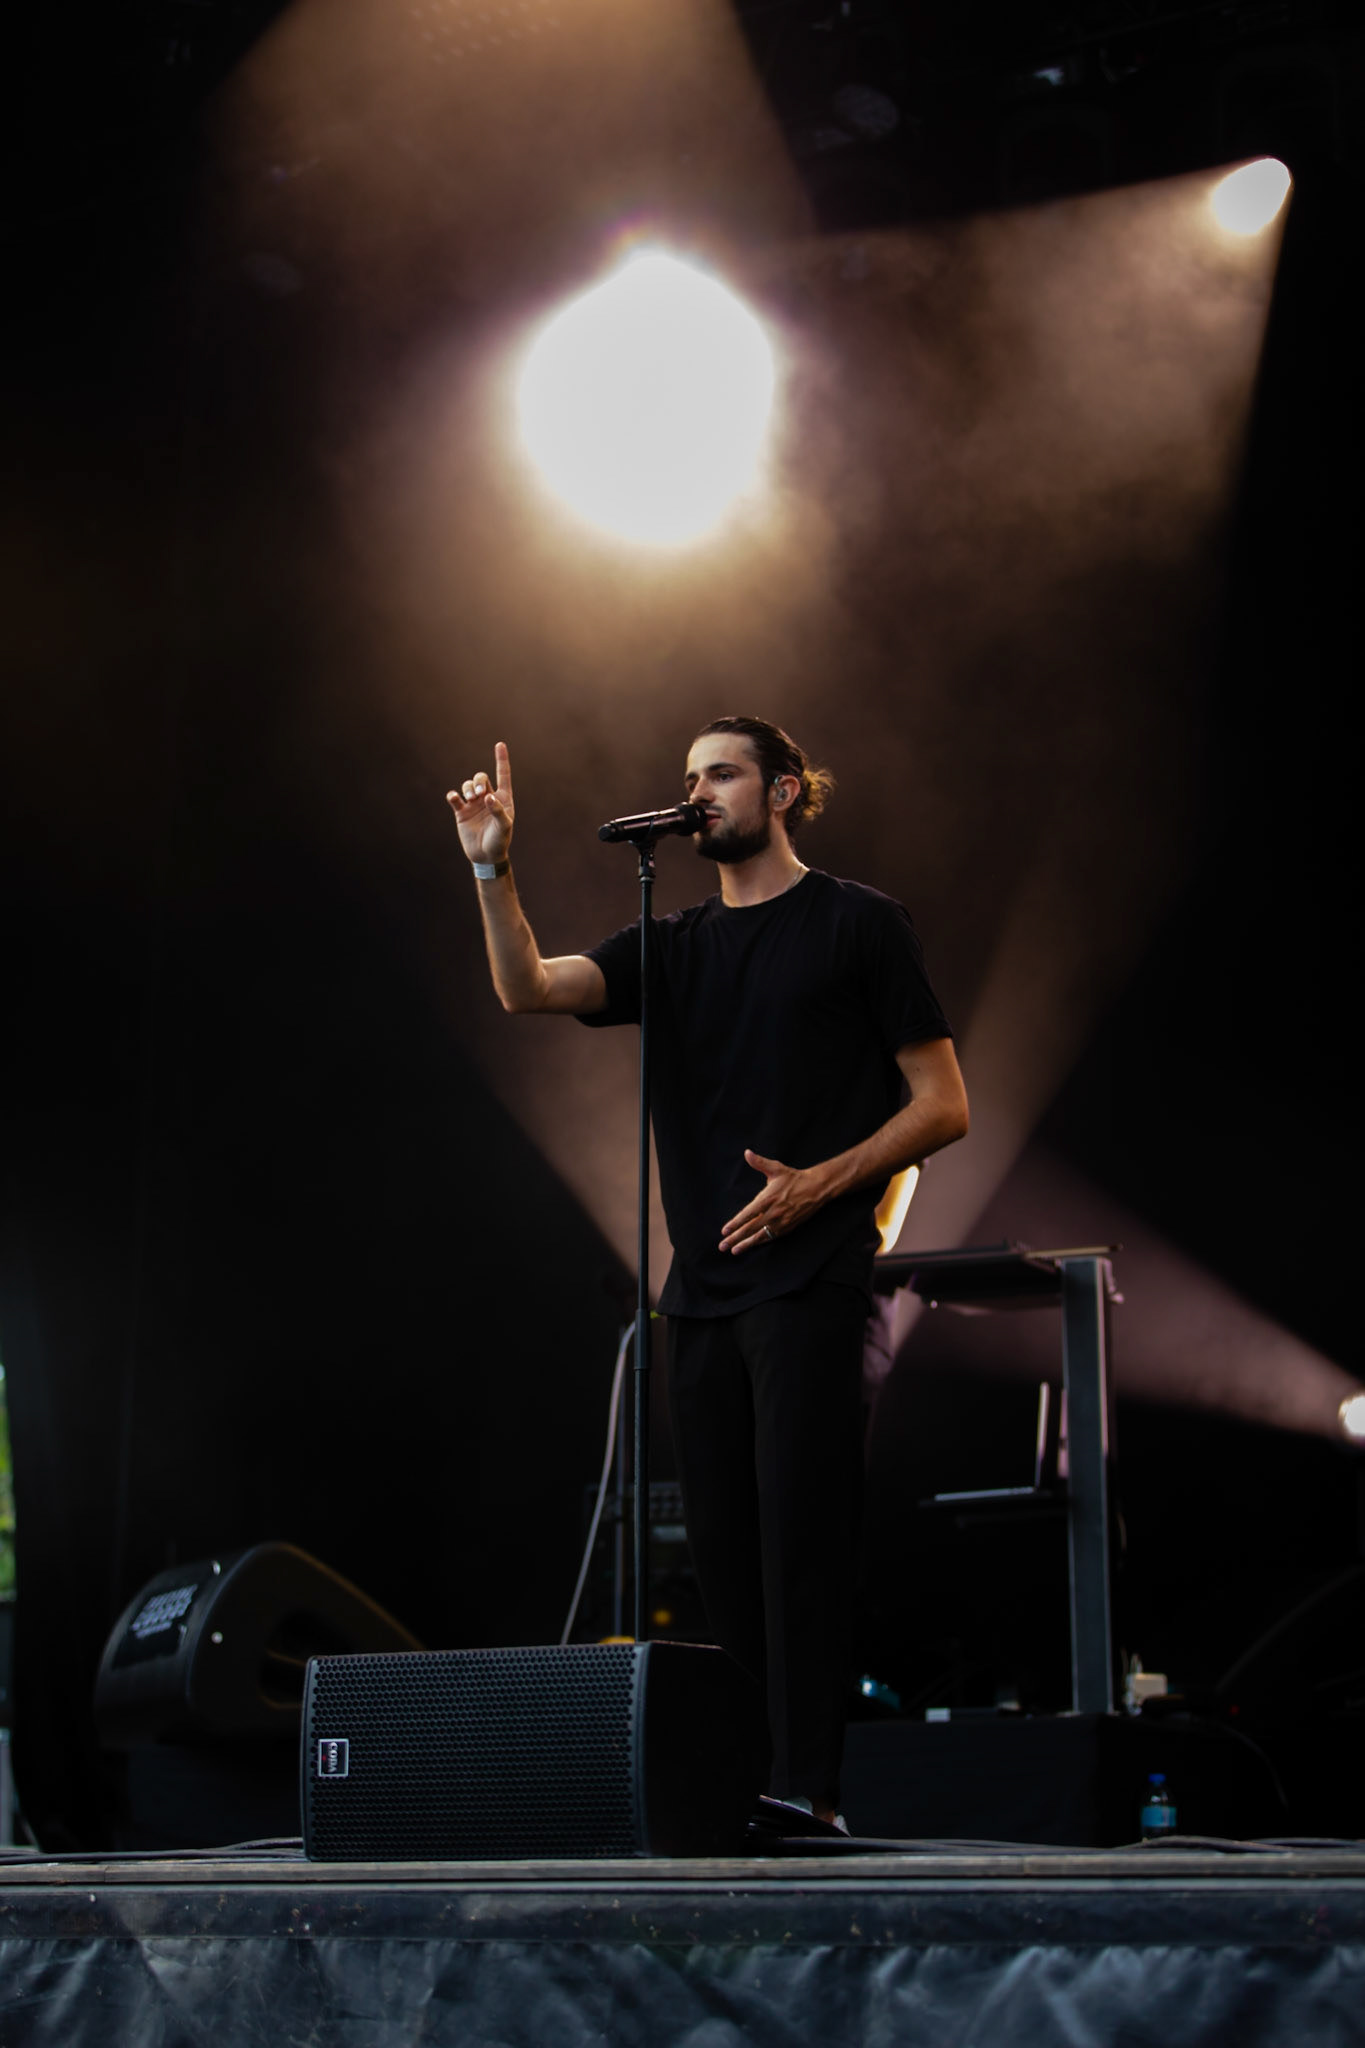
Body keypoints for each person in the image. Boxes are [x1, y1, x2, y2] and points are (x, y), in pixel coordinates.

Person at [448, 717, 968, 1824]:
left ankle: (812, 1791)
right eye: (686, 779)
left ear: (782, 790)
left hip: (812, 1277)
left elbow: (944, 1103)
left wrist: (822, 1184)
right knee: (725, 1558)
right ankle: (744, 1784)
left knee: (800, 1541)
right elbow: (528, 987)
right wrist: (494, 866)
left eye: (720, 773)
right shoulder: (670, 942)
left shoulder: (860, 924)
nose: (697, 794)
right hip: (702, 1292)